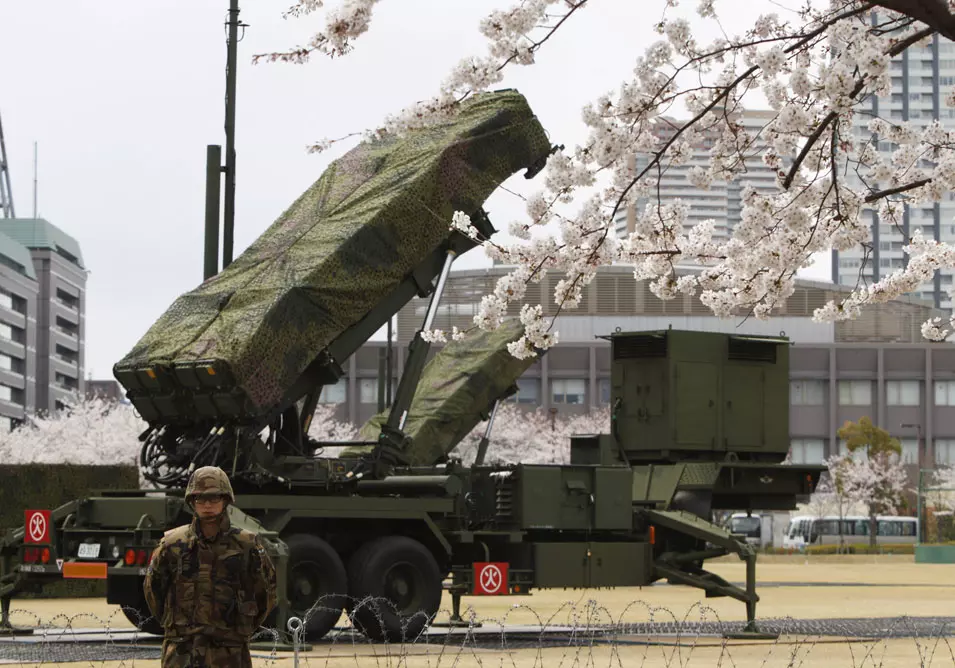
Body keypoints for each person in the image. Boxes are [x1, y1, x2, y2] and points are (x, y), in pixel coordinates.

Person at [144, 466, 277, 668]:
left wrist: (240, 629)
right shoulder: (172, 544)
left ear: (225, 500)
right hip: (182, 652)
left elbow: (265, 593)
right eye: (200, 499)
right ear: (191, 502)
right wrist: (176, 625)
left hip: (229, 652)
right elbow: (153, 589)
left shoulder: (246, 544)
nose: (207, 505)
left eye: (214, 498)